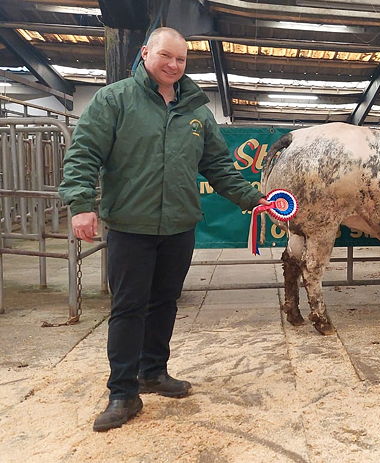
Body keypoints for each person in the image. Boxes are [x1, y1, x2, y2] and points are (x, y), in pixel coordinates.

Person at [59, 27, 269, 432]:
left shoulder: (196, 110)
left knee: (165, 302)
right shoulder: (114, 99)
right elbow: (84, 152)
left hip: (178, 227)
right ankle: (122, 392)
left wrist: (253, 198)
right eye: (166, 56)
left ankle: (152, 372)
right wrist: (81, 205)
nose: (173, 65)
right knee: (127, 307)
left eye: (181, 59)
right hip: (130, 225)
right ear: (145, 53)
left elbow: (219, 168)